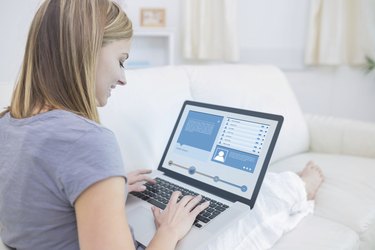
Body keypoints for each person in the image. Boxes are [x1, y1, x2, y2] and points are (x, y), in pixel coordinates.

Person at [0, 0, 324, 249]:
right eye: (121, 60)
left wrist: (103, 187)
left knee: (244, 192)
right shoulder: (87, 141)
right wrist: (168, 232)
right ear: (86, 52)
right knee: (259, 205)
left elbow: (41, 203)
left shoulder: (9, 122)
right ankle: (299, 188)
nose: (123, 78)